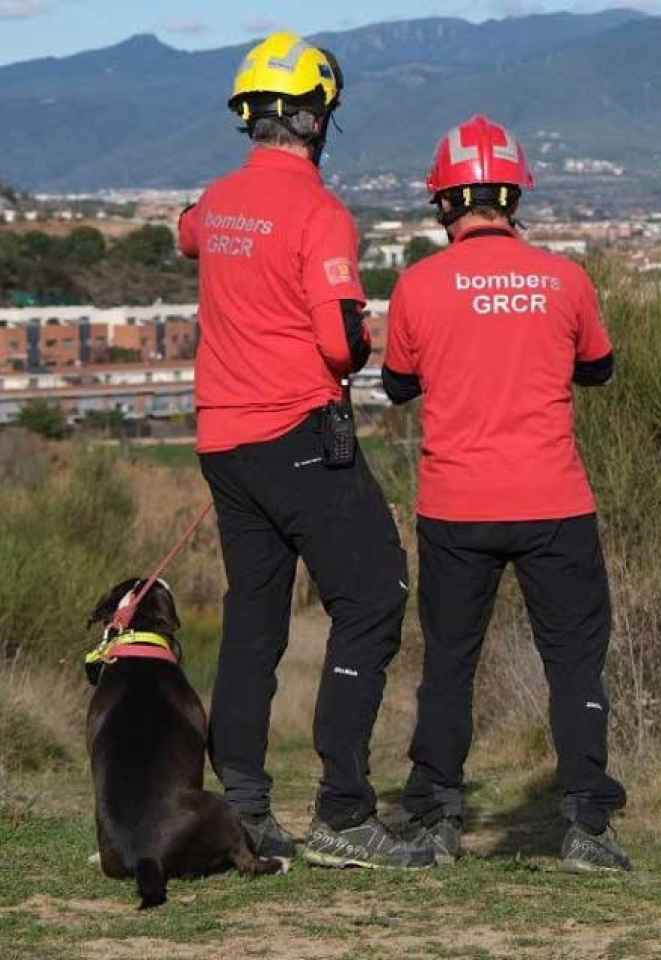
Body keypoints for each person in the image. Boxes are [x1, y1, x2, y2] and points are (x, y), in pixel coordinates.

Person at [176, 31, 430, 870]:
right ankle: (344, 811)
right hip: (296, 435)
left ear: (249, 115)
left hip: (223, 441)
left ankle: (244, 805)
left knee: (255, 617)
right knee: (374, 595)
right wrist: (358, 339)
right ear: (319, 120)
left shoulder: (216, 202)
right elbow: (335, 346)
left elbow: (188, 233)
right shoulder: (322, 215)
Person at [382, 115, 630, 873]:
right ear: (514, 193)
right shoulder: (566, 279)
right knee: (575, 665)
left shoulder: (418, 286)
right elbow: (599, 368)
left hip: (456, 507)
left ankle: (435, 820)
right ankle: (588, 824)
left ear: (444, 204)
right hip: (555, 501)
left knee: (451, 667)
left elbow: (397, 386)